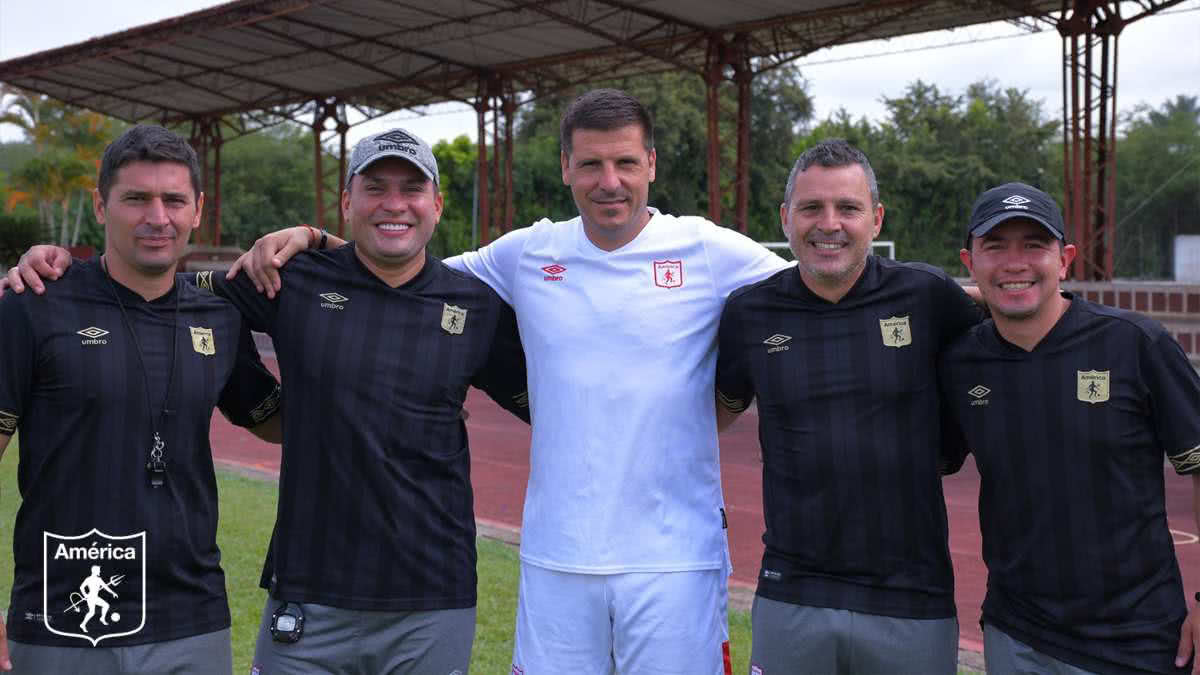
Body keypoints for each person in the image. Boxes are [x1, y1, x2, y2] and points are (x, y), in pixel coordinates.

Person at [176, 88, 791, 674]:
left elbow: (812, 290)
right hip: (556, 555)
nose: (609, 181)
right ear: (566, 167)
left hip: (677, 560)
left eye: (626, 162)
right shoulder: (526, 253)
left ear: (651, 164)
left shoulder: (709, 250)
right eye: (590, 163)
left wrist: (735, 395)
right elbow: (402, 271)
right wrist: (316, 241)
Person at [2, 127, 531, 673]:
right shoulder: (281, 283)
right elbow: (165, 285)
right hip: (297, 595)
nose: (393, 204)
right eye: (375, 188)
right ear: (346, 202)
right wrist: (51, 266)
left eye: (411, 189)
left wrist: (315, 237)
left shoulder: (476, 306)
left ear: (437, 205)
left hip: (426, 593)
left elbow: (550, 404)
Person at [0, 124, 283, 673]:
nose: (158, 217)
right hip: (61, 618)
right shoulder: (34, 304)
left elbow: (276, 422)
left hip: (192, 618)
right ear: (100, 206)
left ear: (198, 209)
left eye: (174, 200)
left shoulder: (220, 316)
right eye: (136, 199)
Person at [714, 139, 984, 674]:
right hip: (791, 591)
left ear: (876, 219)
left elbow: (1002, 348)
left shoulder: (928, 296)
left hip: (913, 597)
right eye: (811, 208)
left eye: (848, 208)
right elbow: (718, 411)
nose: (829, 224)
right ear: (786, 218)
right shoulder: (750, 313)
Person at [939, 182, 1200, 674]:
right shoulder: (961, 362)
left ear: (1065, 260)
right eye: (995, 247)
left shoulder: (1135, 344)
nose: (1014, 262)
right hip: (1017, 634)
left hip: (1139, 639)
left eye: (1033, 245)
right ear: (969, 263)